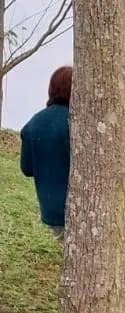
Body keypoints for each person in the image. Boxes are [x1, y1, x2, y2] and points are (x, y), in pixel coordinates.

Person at [19, 65, 73, 241]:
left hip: (50, 211)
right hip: (76, 207)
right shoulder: (76, 122)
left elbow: (27, 169)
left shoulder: (32, 124)